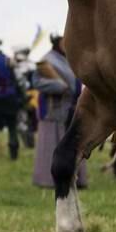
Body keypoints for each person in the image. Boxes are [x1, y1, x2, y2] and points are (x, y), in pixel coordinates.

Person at [32, 34, 85, 188]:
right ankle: (48, 179)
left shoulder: (71, 58)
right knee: (52, 144)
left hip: (72, 108)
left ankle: (76, 178)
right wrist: (58, 86)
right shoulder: (46, 60)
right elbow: (37, 82)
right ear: (56, 42)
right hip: (53, 110)